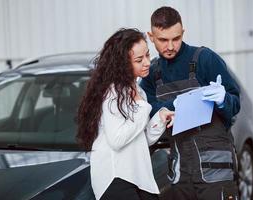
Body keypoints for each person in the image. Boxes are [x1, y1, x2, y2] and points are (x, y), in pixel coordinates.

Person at [140, 6, 240, 200]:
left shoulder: (205, 59)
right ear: (151, 37)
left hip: (216, 168)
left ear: (183, 32)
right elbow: (146, 110)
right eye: (163, 40)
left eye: (176, 38)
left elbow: (235, 103)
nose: (170, 46)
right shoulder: (152, 72)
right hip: (181, 170)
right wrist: (174, 105)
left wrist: (223, 99)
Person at [76, 28, 174, 200]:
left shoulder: (139, 92)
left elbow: (141, 140)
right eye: (139, 60)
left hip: (138, 176)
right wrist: (143, 108)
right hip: (116, 178)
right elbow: (117, 140)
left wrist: (160, 118)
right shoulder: (113, 92)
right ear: (123, 63)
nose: (146, 63)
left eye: (147, 56)